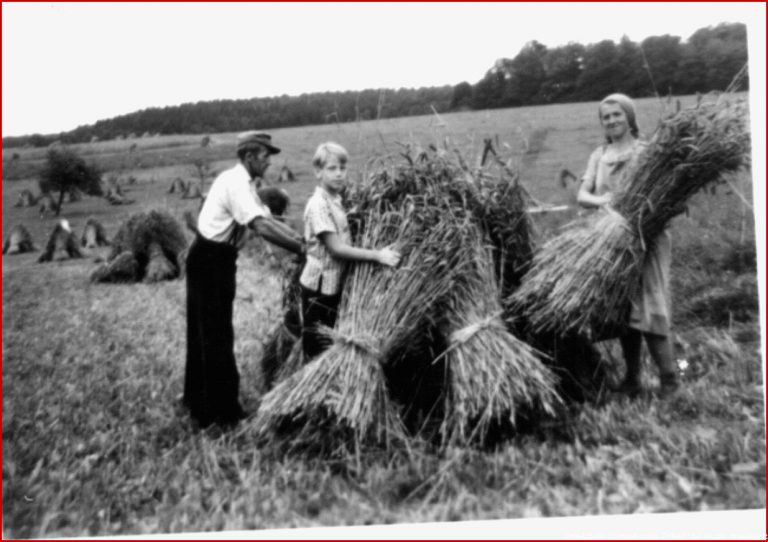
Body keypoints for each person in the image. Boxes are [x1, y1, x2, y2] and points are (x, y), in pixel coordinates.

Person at [184, 131, 304, 428]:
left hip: (217, 259)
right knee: (215, 334)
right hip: (210, 259)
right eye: (265, 156)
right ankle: (221, 414)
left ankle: (198, 401)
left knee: (206, 330)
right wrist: (303, 249)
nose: (269, 163)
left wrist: (301, 239)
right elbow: (261, 226)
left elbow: (269, 218)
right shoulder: (236, 184)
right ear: (249, 156)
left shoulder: (247, 183)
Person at [576, 93, 680, 398]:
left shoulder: (647, 152)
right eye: (605, 117)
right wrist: (603, 201)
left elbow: (666, 194)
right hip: (613, 241)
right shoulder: (599, 155)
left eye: (617, 115)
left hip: (648, 239)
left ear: (629, 117)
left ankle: (670, 380)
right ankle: (632, 379)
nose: (611, 121)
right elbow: (583, 195)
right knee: (622, 310)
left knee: (650, 306)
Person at [299, 142, 401, 360]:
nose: (338, 174)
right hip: (318, 289)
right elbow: (336, 249)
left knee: (328, 345)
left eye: (342, 169)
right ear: (318, 172)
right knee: (317, 348)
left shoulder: (334, 200)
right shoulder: (318, 205)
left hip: (333, 284)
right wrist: (377, 255)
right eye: (331, 169)